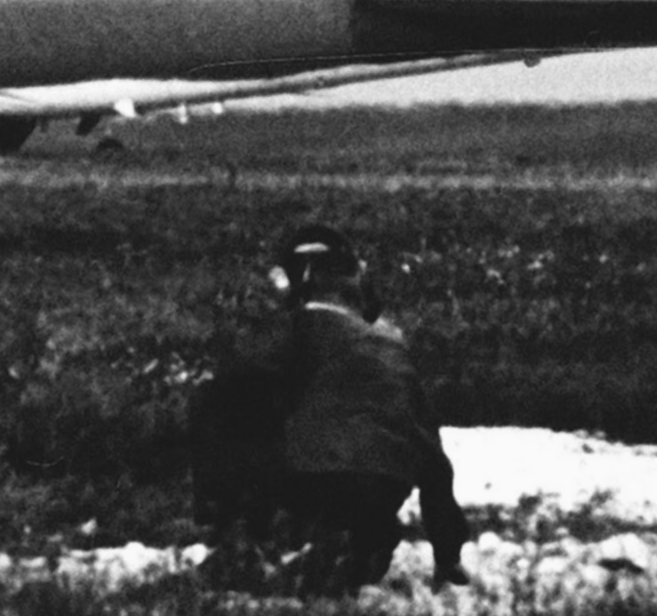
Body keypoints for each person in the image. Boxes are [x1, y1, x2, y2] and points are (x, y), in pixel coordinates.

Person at [190, 223, 469, 594]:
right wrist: (447, 554)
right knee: (357, 538)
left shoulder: (298, 329)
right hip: (382, 487)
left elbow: (234, 386)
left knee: (223, 406)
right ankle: (353, 546)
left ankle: (245, 540)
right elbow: (434, 461)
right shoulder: (392, 347)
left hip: (309, 478)